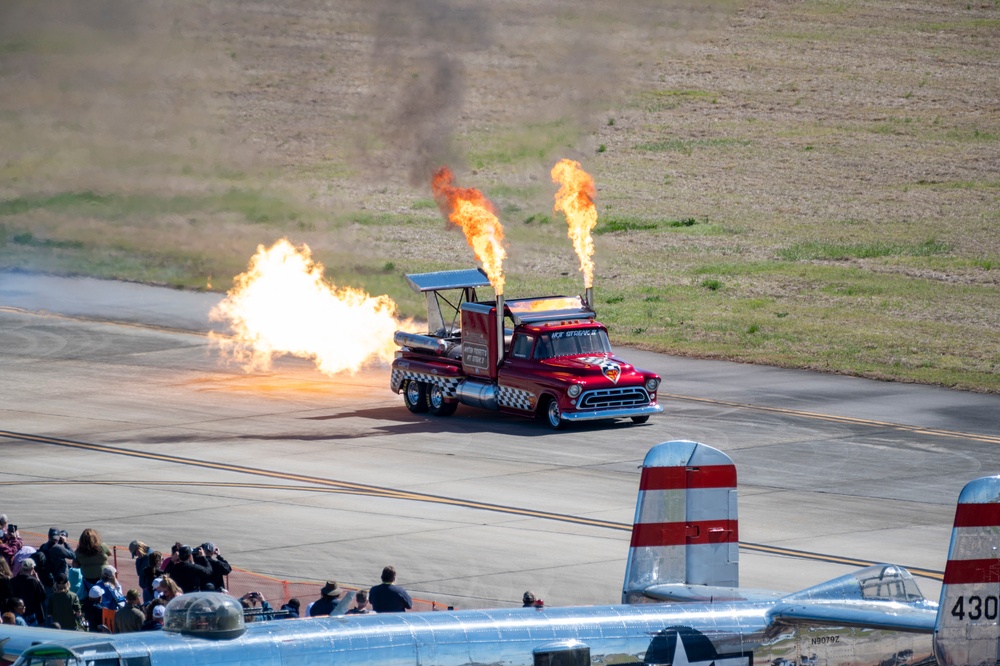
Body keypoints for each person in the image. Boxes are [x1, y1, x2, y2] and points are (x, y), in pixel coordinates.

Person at [37, 529, 76, 596]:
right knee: (61, 596)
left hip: (47, 576)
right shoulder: (58, 548)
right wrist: (65, 543)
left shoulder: (43, 546)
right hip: (59, 578)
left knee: (48, 597)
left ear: (48, 536)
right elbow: (73, 555)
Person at [73, 528, 111, 597]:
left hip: (88, 578)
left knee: (90, 594)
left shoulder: (78, 551)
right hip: (103, 576)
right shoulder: (102, 546)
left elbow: (75, 565)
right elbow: (109, 553)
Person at [10, 558, 46, 626]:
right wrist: (38, 580)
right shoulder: (34, 581)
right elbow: (42, 596)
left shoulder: (12, 581)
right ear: (32, 568)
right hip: (32, 614)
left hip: (17, 613)